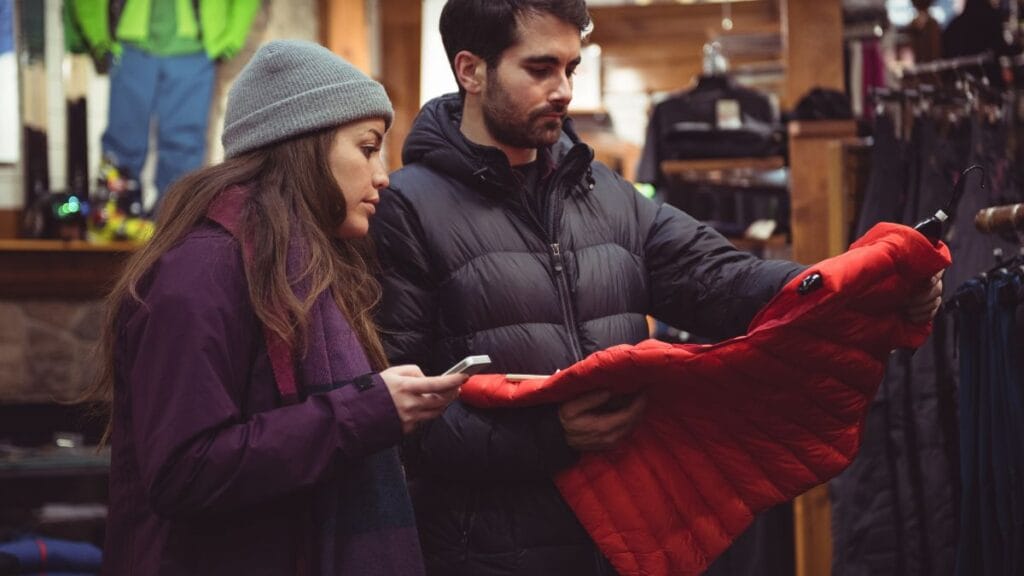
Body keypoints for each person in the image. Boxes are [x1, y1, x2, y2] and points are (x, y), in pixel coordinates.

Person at [370, 1, 945, 575]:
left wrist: (862, 287)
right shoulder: (406, 210)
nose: (564, 90)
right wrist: (550, 437)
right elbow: (403, 419)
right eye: (540, 69)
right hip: (490, 555)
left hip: (625, 544)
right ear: (471, 71)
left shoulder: (607, 195)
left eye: (571, 68)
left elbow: (721, 279)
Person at [81, 40, 466, 575]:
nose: (383, 174)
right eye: (368, 147)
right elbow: (184, 473)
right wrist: (368, 411)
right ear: (303, 147)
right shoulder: (201, 271)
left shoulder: (303, 268)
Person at [71, 0, 260, 212]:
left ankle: (173, 223)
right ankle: (116, 217)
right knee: (123, 142)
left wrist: (232, 37)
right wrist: (98, 36)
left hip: (193, 49)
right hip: (132, 45)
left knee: (184, 146)